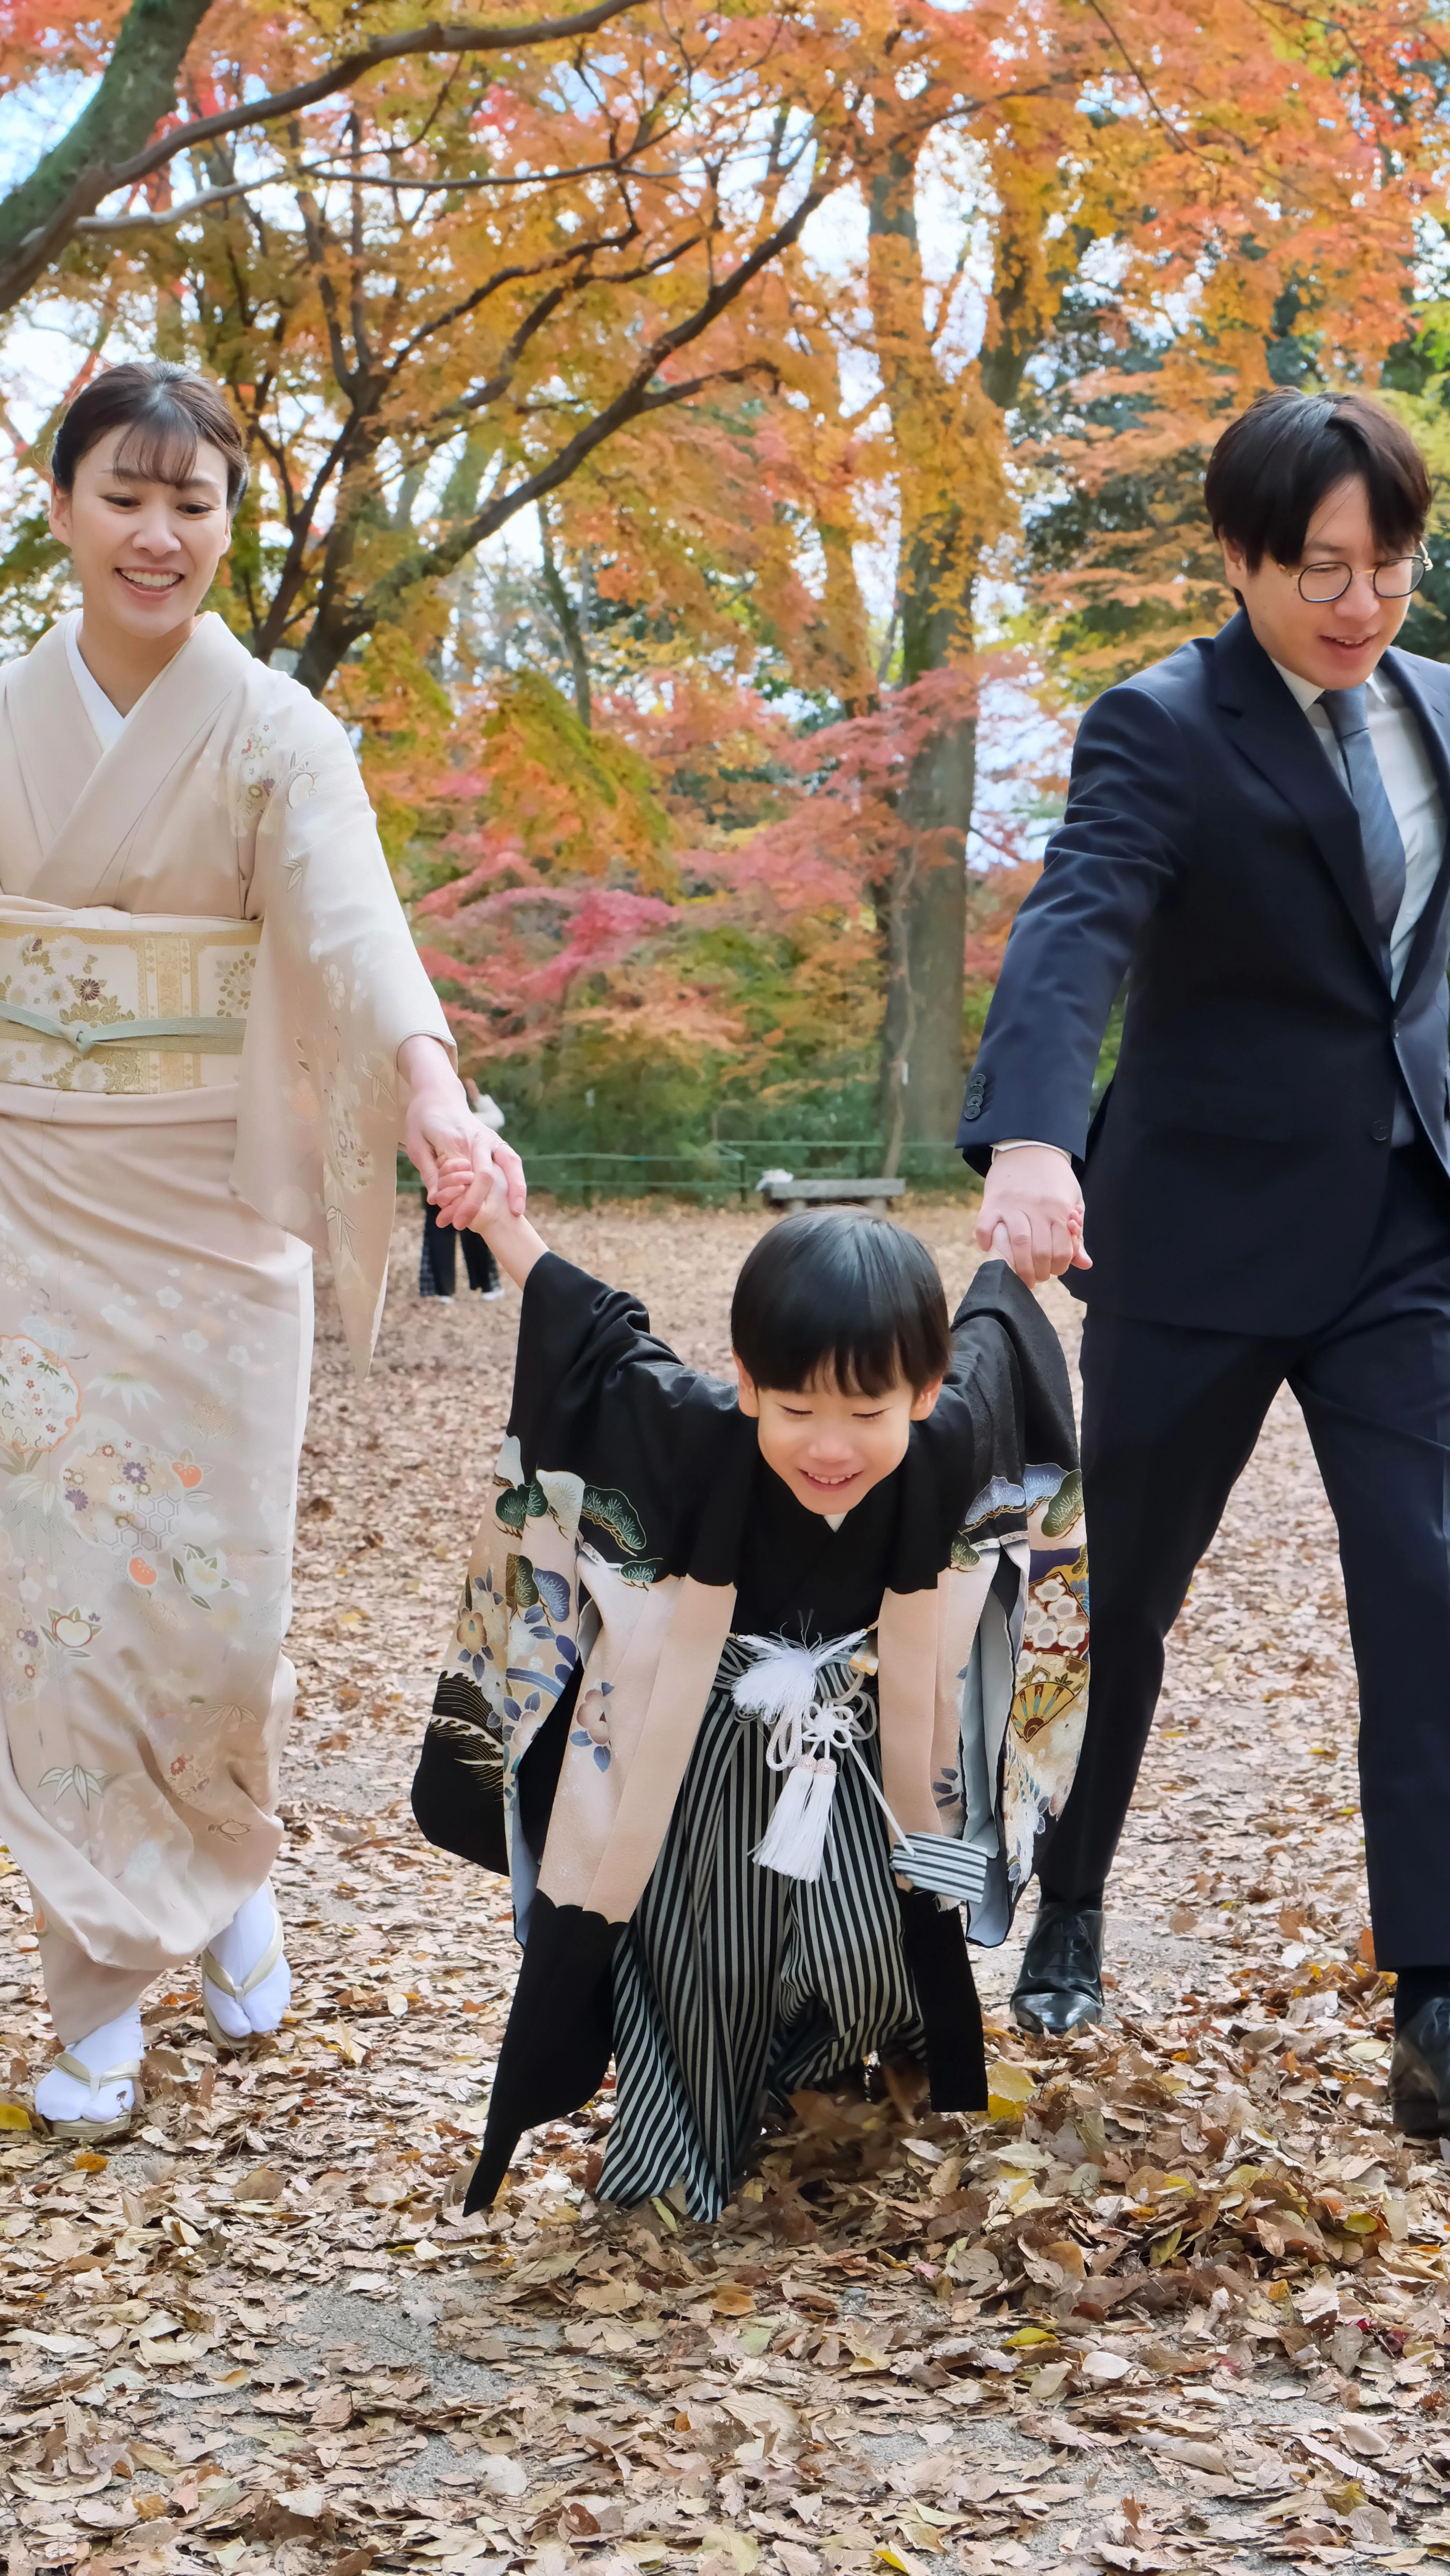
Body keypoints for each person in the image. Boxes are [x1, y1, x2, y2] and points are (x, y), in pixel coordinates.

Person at [0, 360, 522, 2143]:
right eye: (125, 495)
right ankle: (95, 1989)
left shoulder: (279, 734)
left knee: (213, 1603)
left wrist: (434, 1093)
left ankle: (226, 1867)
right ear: (58, 501)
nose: (160, 533)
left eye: (194, 501)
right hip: (32, 1205)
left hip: (217, 1223)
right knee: (63, 1609)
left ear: (229, 521)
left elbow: (354, 928)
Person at [958, 386, 1450, 2136]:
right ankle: (1072, 1878)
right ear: (1238, 557)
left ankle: (1435, 1984)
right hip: (1196, 1235)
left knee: (1423, 1571)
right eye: (1317, 564)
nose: (1357, 600)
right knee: (1130, 1594)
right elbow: (1078, 918)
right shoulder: (1160, 725)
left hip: (1400, 1225)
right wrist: (1029, 1134)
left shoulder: (1431, 712)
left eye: (1386, 563)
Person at [412, 1185, 1088, 2218]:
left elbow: (998, 1339)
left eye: (867, 1413)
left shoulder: (952, 1430)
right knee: (696, 1965)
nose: (831, 1447)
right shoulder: (693, 1428)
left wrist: (1013, 1270)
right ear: (745, 1383)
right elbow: (594, 1341)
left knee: (875, 1951)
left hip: (869, 1752)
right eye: (797, 1408)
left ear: (924, 1391)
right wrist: (502, 1219)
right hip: (705, 1755)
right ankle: (678, 2156)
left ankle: (807, 2066)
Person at [419, 1080, 504, 1300]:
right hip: (461, 1181)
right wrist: (479, 1099)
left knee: (444, 1234)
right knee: (474, 1235)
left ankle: (444, 1290)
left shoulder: (431, 1118)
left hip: (445, 1182)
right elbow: (498, 1119)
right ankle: (486, 1287)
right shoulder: (471, 1121)